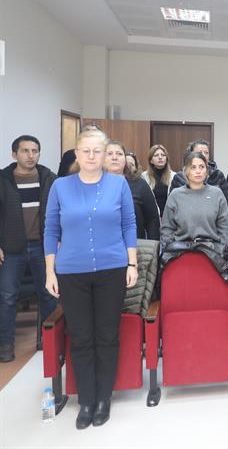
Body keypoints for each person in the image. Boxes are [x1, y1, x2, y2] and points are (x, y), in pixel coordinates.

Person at [44, 128, 138, 429]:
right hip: (71, 272)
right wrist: (50, 271)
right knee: (81, 337)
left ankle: (103, 398)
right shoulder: (60, 186)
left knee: (107, 336)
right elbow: (51, 230)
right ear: (77, 153)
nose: (92, 156)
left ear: (105, 154)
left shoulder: (118, 184)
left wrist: (132, 263)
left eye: (98, 151)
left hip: (112, 269)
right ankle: (86, 398)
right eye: (86, 151)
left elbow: (129, 224)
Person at [0, 135, 57, 363]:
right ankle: (6, 345)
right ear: (14, 154)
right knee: (7, 297)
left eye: (35, 151)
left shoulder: (49, 179)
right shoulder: (3, 180)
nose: (31, 155)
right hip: (11, 248)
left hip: (42, 247)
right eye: (25, 151)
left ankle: (49, 340)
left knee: (48, 294)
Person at [160, 152, 228, 258]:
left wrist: (222, 250)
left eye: (201, 167)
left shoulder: (217, 194)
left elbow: (224, 228)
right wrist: (168, 251)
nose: (198, 171)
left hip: (212, 251)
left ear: (206, 170)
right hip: (180, 251)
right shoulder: (175, 195)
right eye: (193, 167)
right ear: (186, 171)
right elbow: (167, 229)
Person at [170, 140, 228, 225]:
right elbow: (171, 208)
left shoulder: (217, 175)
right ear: (191, 154)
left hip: (212, 226)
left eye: (206, 153)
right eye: (200, 152)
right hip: (184, 225)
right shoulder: (179, 178)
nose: (203, 155)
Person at [104, 141, 160, 241]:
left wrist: (154, 245)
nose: (114, 157)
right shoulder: (94, 184)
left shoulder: (140, 184)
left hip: (135, 244)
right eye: (109, 154)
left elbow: (152, 219)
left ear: (125, 160)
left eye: (119, 154)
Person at [141, 144, 176, 215]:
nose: (160, 157)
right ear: (151, 160)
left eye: (163, 155)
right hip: (151, 215)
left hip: (170, 215)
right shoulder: (143, 177)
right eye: (156, 155)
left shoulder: (174, 176)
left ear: (166, 159)